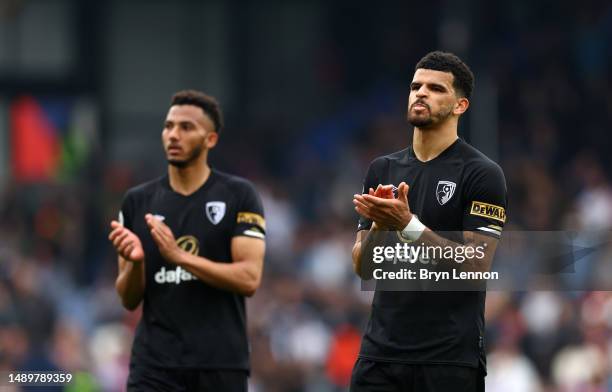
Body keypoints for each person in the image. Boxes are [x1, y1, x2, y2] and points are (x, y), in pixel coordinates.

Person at [350, 51, 507, 391]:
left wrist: (407, 225)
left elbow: (475, 266)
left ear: (460, 106)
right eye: (415, 86)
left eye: (436, 88)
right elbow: (363, 267)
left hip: (447, 359)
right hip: (380, 357)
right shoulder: (382, 169)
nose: (421, 93)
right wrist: (380, 225)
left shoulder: (482, 174)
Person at [108, 90, 266, 391]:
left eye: (186, 127)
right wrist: (136, 264)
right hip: (153, 366)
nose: (174, 135)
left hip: (219, 364)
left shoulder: (239, 195)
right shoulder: (137, 201)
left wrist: (179, 257)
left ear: (210, 140)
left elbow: (249, 278)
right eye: (169, 126)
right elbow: (128, 300)